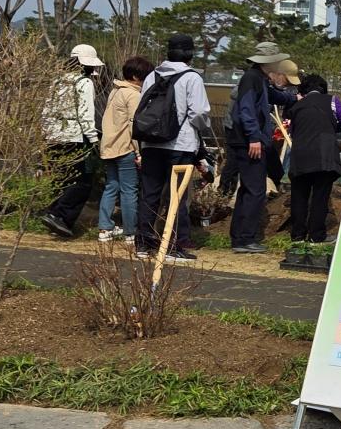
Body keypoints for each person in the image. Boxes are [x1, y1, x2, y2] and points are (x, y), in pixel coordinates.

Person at [136, 35, 211, 263]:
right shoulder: (191, 77)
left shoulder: (152, 75)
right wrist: (201, 131)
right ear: (189, 54)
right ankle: (174, 244)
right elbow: (198, 113)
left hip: (151, 144)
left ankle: (144, 244)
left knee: (149, 193)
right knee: (177, 196)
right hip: (180, 145)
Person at [227, 42, 297, 254]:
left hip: (248, 139)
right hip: (250, 141)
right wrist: (254, 138)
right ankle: (245, 239)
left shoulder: (259, 79)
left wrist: (295, 97)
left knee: (248, 188)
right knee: (256, 190)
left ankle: (239, 237)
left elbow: (276, 97)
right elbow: (246, 109)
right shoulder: (252, 79)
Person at [41, 44, 104, 238]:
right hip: (74, 136)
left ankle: (56, 218)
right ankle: (58, 215)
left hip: (53, 135)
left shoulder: (57, 81)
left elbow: (46, 109)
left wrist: (45, 133)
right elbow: (86, 114)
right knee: (83, 182)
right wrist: (94, 139)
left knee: (62, 179)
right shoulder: (84, 83)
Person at [288, 74, 341, 242]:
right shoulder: (332, 101)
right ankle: (316, 236)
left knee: (299, 195)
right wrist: (331, 127)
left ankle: (297, 235)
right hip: (324, 155)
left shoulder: (297, 105)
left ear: (304, 90)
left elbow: (293, 132)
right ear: (323, 89)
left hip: (300, 155)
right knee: (320, 196)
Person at [98, 56, 153, 244]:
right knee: (129, 190)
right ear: (137, 77)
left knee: (111, 187)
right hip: (124, 148)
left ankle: (104, 228)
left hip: (108, 146)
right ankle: (130, 232)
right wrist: (139, 152)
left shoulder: (115, 91)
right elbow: (134, 126)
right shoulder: (133, 95)